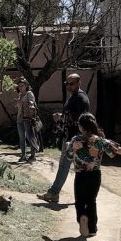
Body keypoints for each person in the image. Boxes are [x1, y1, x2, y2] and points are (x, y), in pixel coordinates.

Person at [69, 112, 121, 237]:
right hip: (95, 175)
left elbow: (68, 156)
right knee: (91, 201)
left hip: (80, 175)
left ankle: (82, 217)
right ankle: (92, 229)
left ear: (81, 126)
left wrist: (72, 149)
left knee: (80, 201)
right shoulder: (99, 140)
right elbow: (114, 149)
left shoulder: (76, 140)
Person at [37, 73, 90, 203]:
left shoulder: (81, 98)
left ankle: (53, 193)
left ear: (79, 83)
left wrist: (62, 117)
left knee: (67, 166)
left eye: (71, 84)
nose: (68, 86)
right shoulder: (74, 97)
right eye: (67, 84)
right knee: (76, 167)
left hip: (75, 138)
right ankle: (59, 194)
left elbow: (80, 119)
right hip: (71, 137)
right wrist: (61, 117)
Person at [14, 77, 39, 162]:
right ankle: (23, 155)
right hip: (20, 118)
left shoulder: (29, 93)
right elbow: (19, 107)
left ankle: (33, 155)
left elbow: (31, 103)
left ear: (26, 86)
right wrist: (18, 104)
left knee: (30, 136)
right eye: (19, 86)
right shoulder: (20, 95)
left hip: (27, 118)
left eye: (22, 86)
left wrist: (27, 103)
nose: (20, 87)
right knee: (22, 137)